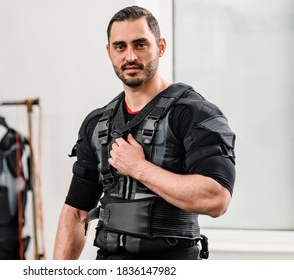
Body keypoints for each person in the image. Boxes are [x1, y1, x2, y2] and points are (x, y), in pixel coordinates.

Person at [53, 5, 236, 260]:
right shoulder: (97, 124)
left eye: (140, 44)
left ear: (160, 47)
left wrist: (139, 168)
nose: (130, 56)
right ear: (109, 52)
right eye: (120, 46)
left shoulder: (194, 114)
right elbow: (75, 212)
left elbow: (217, 199)